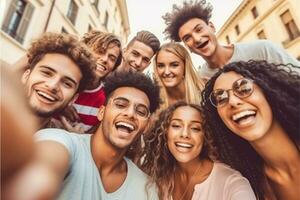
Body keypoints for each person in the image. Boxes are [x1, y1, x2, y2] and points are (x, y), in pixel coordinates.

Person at [35, 70, 160, 200]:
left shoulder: (147, 189)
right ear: (101, 113)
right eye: (121, 104)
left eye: (140, 111)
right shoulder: (63, 142)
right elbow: (46, 161)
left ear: (146, 125)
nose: (130, 114)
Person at [201, 60, 300, 199]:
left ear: (268, 92)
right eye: (221, 98)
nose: (233, 102)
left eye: (244, 89)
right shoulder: (252, 187)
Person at [140, 102, 256, 200]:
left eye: (195, 128)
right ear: (165, 133)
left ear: (205, 137)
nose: (185, 134)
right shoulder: (160, 175)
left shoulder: (232, 184)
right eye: (176, 126)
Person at [162, 0, 300, 80]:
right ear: (187, 47)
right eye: (187, 38)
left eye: (199, 29)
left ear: (212, 27)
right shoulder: (201, 80)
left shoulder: (263, 50)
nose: (197, 39)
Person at [21, 32, 95, 129]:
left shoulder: (59, 141)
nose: (52, 86)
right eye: (46, 73)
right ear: (26, 76)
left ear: (73, 99)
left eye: (67, 84)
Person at [60, 30, 122, 133]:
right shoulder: (60, 79)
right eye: (100, 51)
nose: (105, 59)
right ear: (85, 50)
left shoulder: (105, 101)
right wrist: (59, 105)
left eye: (112, 58)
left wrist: (79, 138)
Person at [154, 42, 204, 110]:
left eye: (174, 65)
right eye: (161, 66)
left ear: (185, 66)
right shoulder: (154, 100)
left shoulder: (203, 91)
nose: (167, 72)